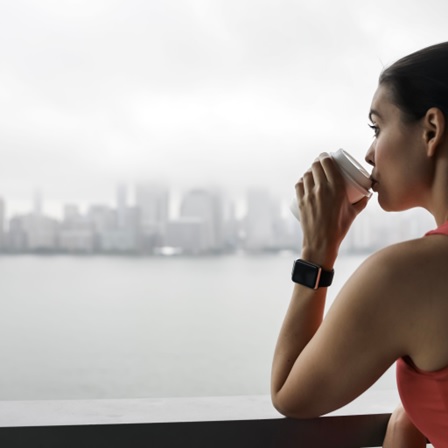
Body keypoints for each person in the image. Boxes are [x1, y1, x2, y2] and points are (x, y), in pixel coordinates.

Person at [271, 42, 448, 448]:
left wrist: (318, 251)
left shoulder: (406, 276)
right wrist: (418, 416)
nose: (369, 153)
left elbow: (290, 395)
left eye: (377, 127)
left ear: (432, 130)